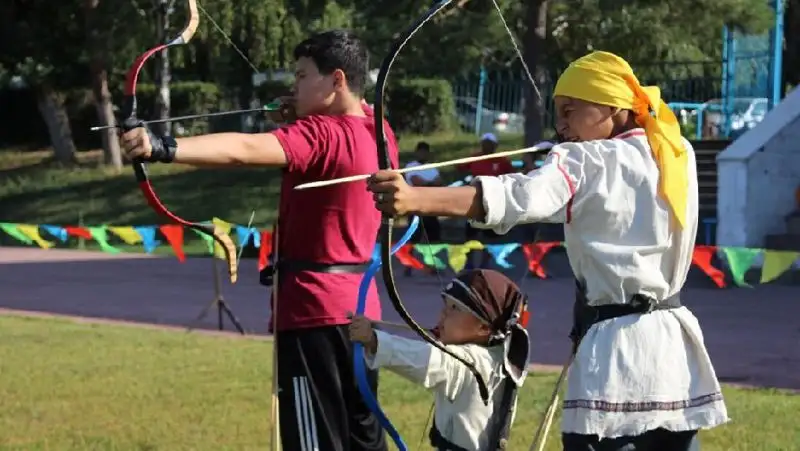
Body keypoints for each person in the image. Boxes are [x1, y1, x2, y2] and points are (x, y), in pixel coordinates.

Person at [367, 51, 728, 450]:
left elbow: (518, 197)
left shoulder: (585, 159)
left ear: (612, 105)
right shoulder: (677, 153)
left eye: (570, 111)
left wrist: (415, 198)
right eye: (557, 113)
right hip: (670, 345)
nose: (560, 125)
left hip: (618, 353)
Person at [119, 30, 394, 451]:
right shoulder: (380, 129)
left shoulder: (321, 134)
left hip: (313, 310)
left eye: (303, 76)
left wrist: (161, 146)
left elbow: (244, 148)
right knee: (364, 438)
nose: (294, 86)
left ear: (337, 80)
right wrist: (299, 114)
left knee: (312, 442)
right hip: (361, 310)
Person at [349, 269, 531, 451]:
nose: (443, 315)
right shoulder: (495, 354)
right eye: (445, 305)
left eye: (455, 309)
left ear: (483, 327)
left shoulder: (474, 363)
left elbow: (430, 359)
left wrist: (373, 340)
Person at [458, 133, 515, 269]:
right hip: (474, 200)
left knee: (490, 234)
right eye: (484, 142)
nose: (486, 145)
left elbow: (511, 175)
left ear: (495, 146)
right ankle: (469, 261)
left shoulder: (502, 160)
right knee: (471, 233)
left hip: (493, 201)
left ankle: (486, 261)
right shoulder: (475, 157)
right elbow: (460, 168)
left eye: (489, 143)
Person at [403, 141, 442, 276]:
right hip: (415, 207)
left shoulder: (433, 167)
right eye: (420, 151)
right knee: (413, 238)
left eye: (425, 152)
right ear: (416, 152)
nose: (423, 154)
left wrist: (426, 184)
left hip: (431, 208)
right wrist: (430, 184)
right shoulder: (410, 166)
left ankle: (432, 266)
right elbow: (415, 181)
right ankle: (408, 266)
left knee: (433, 239)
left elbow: (439, 183)